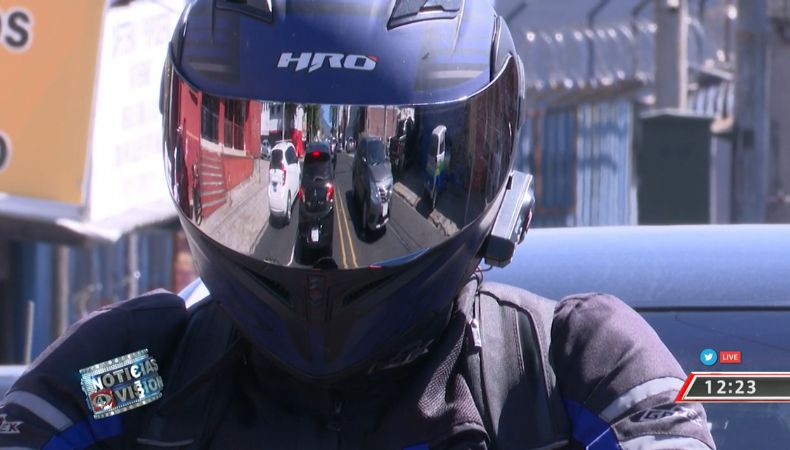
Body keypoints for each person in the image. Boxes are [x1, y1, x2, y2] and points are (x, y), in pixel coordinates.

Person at [0, 1, 715, 449]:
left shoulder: (564, 373)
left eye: (370, 153)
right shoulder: (141, 373)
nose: (320, 238)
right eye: (274, 130)